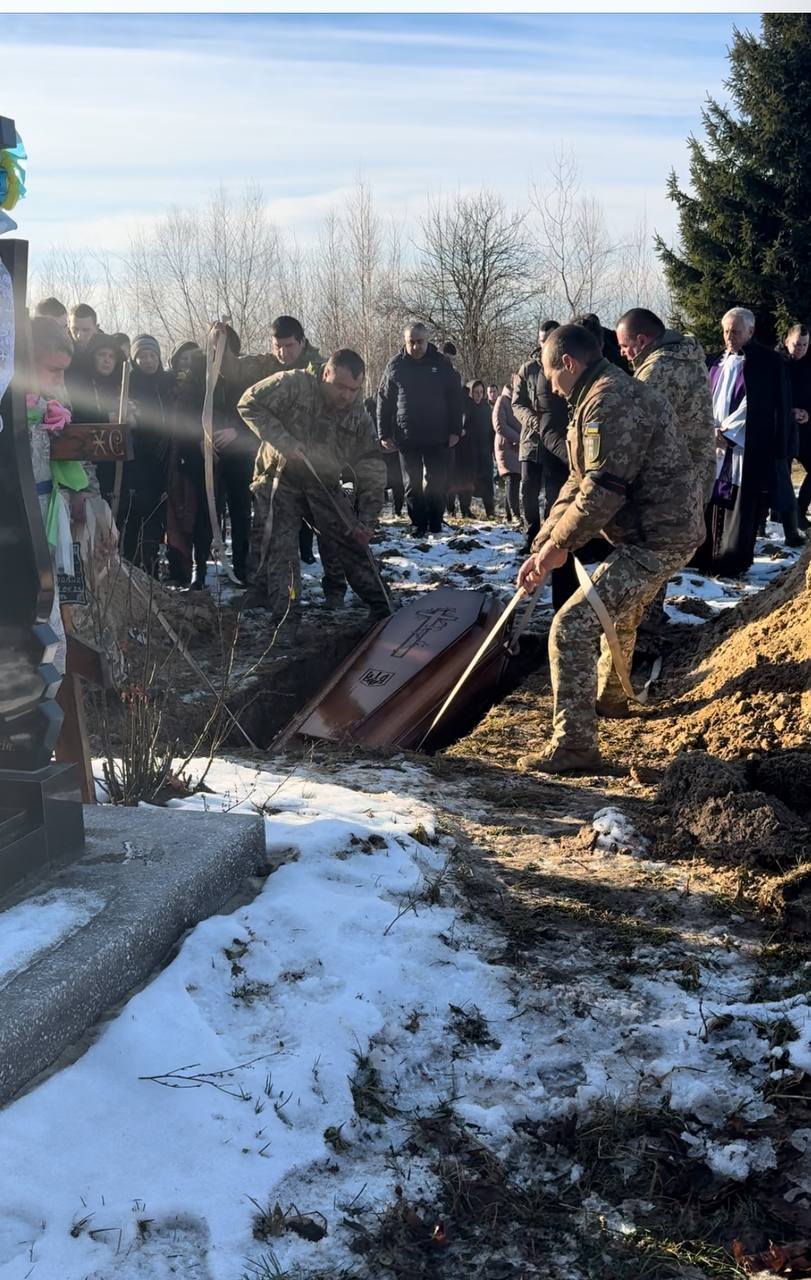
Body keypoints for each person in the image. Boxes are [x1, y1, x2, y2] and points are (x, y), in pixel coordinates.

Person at [515, 324, 704, 774]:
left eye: (548, 373)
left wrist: (558, 548)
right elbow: (578, 480)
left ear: (568, 364)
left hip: (660, 537)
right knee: (618, 612)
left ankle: (575, 747)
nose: (549, 385)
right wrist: (543, 541)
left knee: (571, 626)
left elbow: (602, 491)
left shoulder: (608, 400)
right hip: (652, 533)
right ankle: (612, 700)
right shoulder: (592, 397)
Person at [237, 350, 388, 636]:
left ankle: (384, 608)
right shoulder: (293, 384)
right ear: (325, 374)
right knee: (283, 552)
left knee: (351, 540)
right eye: (340, 387)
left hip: (323, 483)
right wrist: (284, 442)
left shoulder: (358, 416)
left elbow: (372, 468)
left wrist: (367, 520)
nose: (347, 396)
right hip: (280, 479)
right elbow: (248, 403)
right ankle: (286, 623)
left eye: (354, 390)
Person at [694, 307, 792, 576]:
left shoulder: (766, 363)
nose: (729, 336)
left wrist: (727, 432)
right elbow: (703, 399)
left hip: (743, 447)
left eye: (735, 331)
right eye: (725, 330)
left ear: (750, 331)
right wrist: (709, 429)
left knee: (739, 503)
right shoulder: (714, 361)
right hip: (712, 444)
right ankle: (704, 556)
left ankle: (732, 560)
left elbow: (759, 406)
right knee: (710, 498)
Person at [616, 309, 716, 504]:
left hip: (670, 484)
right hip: (698, 474)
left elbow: (636, 430)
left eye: (625, 346)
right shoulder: (688, 356)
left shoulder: (657, 370)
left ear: (642, 341)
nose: (622, 352)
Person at [377, 322, 462, 536]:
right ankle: (418, 524)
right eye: (411, 342)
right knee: (411, 484)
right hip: (407, 436)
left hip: (438, 434)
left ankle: (435, 522)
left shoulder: (442, 364)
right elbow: (384, 401)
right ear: (405, 342)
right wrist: (383, 433)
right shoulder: (395, 365)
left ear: (427, 340)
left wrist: (455, 430)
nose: (415, 347)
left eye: (420, 342)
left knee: (436, 482)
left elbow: (455, 399)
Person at [120, 334, 171, 576]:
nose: (148, 361)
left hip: (164, 456)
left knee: (156, 515)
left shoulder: (168, 382)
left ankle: (151, 567)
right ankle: (131, 565)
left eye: (152, 355)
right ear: (134, 358)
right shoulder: (129, 384)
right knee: (135, 513)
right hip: (137, 459)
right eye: (142, 356)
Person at [513, 319, 562, 554]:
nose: (545, 346)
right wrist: (535, 422)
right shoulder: (528, 369)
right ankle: (530, 536)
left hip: (557, 443)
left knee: (554, 495)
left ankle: (548, 539)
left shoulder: (566, 366)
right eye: (542, 341)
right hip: (531, 441)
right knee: (528, 493)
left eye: (549, 341)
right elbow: (517, 404)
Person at [780, 323, 811, 530]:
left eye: (805, 345)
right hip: (782, 428)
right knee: (781, 474)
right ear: (787, 342)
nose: (800, 349)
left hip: (807, 428)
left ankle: (801, 510)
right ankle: (784, 520)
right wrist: (788, 412)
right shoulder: (777, 364)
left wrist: (808, 413)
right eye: (796, 344)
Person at [366, 394, 404, 516]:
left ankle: (386, 511)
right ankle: (395, 510)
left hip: (382, 450)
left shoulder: (369, 408)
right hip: (390, 449)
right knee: (395, 483)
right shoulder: (394, 406)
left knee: (382, 483)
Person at [493, 379, 521, 522]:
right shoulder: (502, 400)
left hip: (518, 446)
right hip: (507, 445)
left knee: (514, 479)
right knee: (512, 478)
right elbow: (499, 425)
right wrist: (517, 437)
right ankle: (515, 515)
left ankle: (509, 515)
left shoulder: (520, 401)